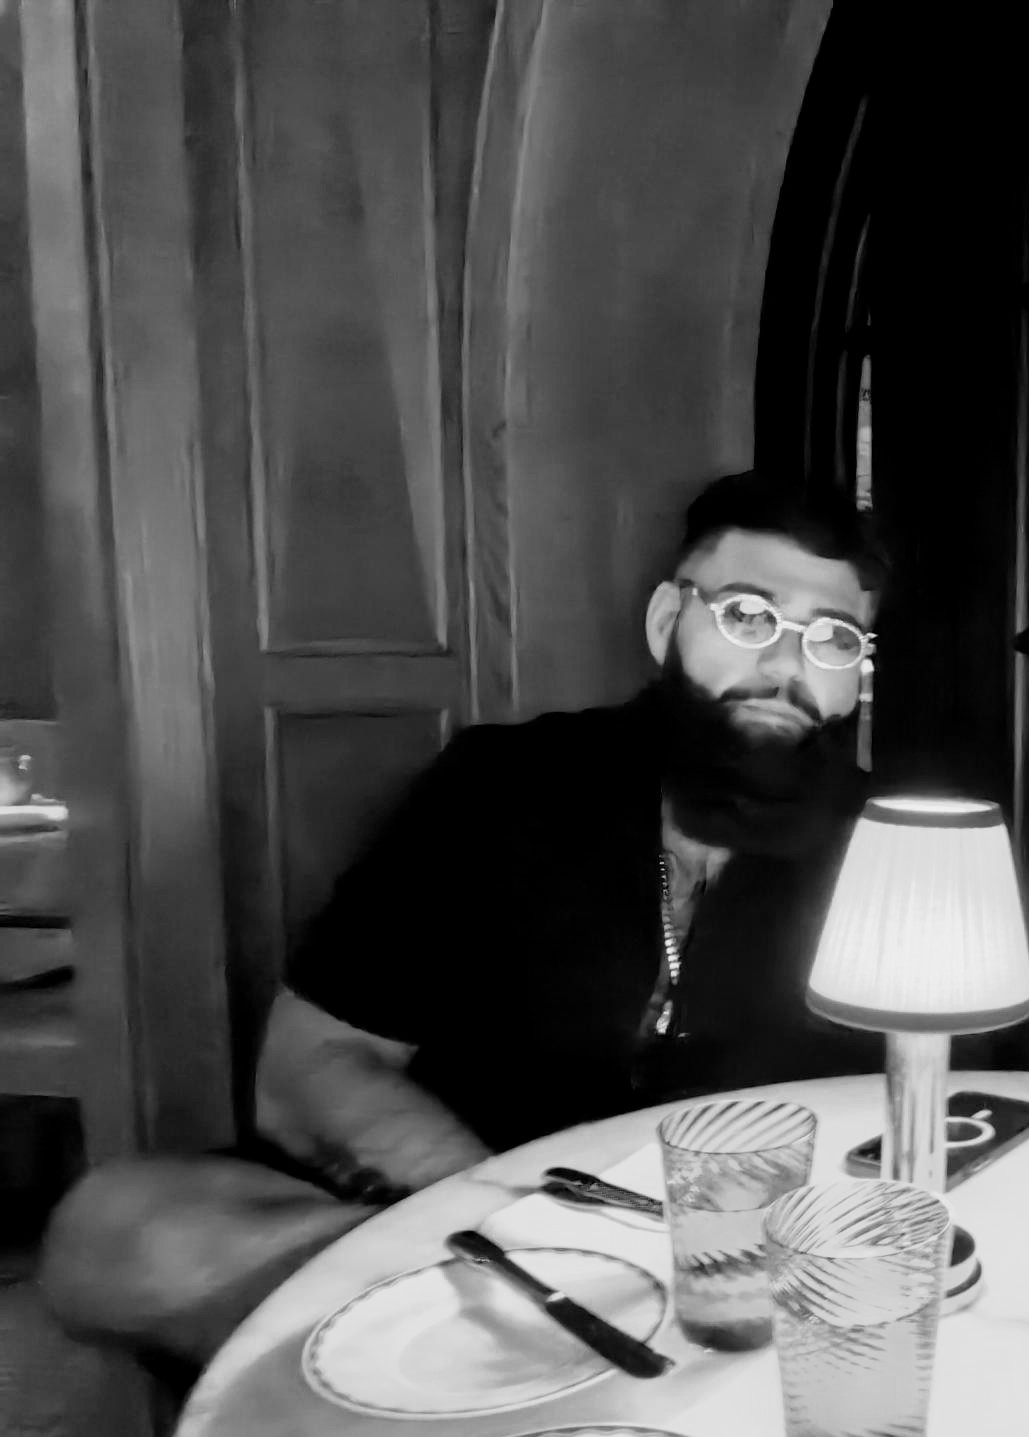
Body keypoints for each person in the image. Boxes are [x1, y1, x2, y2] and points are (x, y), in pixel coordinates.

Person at [37, 471, 965, 1366]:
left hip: (752, 1247)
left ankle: (492, 1350)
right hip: (462, 1211)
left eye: (833, 640)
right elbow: (308, 1068)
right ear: (665, 623)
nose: (787, 668)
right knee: (119, 1234)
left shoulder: (892, 846)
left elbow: (932, 1119)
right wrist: (508, 1219)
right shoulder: (504, 787)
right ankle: (525, 1328)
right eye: (749, 617)